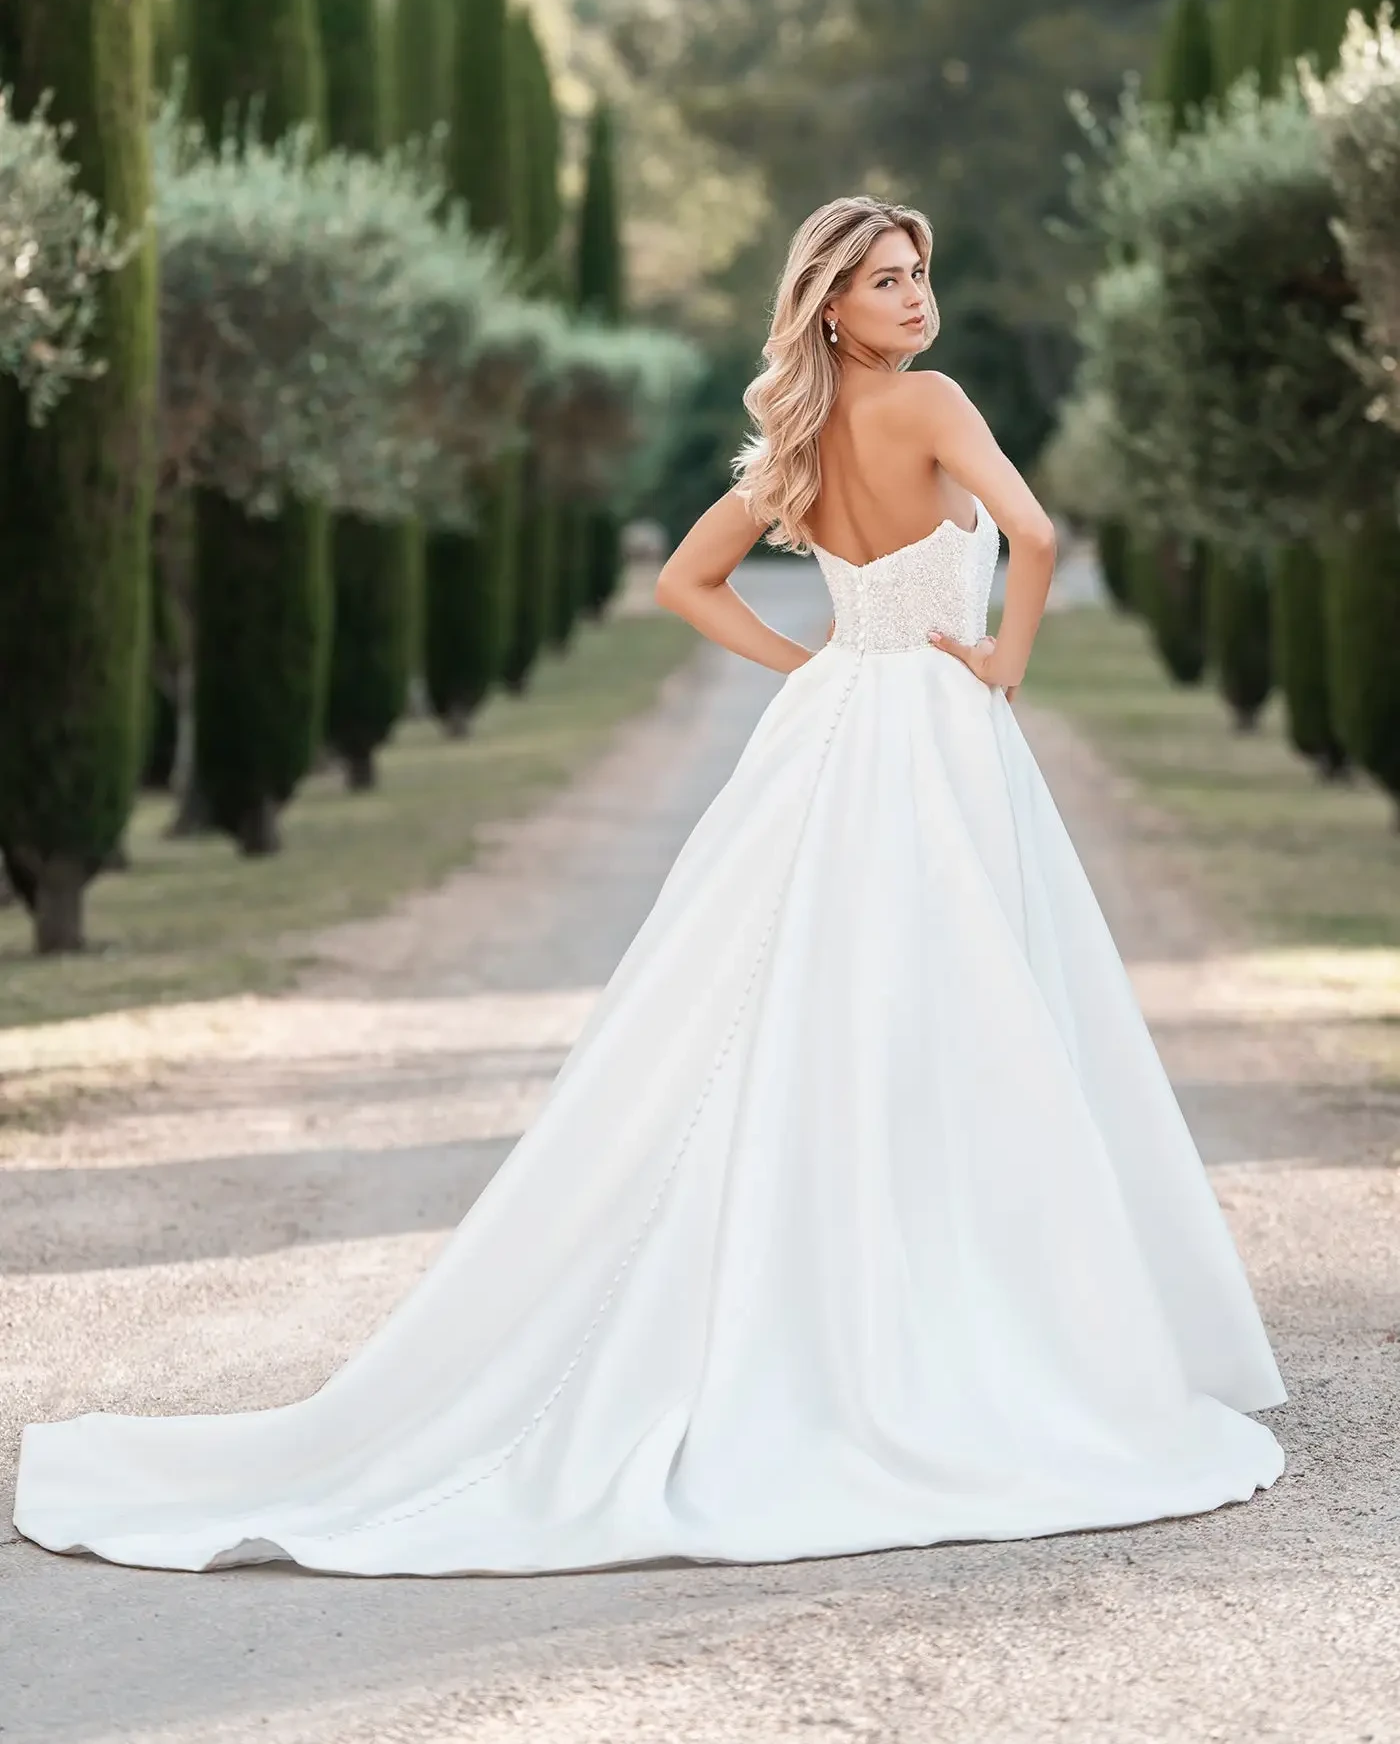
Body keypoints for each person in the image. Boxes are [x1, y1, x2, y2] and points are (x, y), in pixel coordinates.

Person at [14, 195, 1285, 1577]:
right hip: (937, 726)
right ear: (829, 306)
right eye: (883, 280)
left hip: (837, 724)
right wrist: (1001, 664)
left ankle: (841, 1300)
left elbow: (687, 580)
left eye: (920, 271)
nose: (915, 296)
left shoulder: (801, 441)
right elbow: (1031, 537)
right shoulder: (932, 405)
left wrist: (815, 665)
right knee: (958, 1006)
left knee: (806, 1008)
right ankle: (970, 1313)